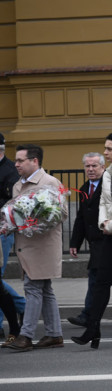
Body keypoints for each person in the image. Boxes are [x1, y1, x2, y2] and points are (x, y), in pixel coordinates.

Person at [4, 144, 68, 352]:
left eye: (21, 160)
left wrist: (37, 219)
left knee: (32, 288)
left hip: (42, 246)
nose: (16, 164)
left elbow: (61, 213)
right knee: (45, 289)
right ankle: (54, 333)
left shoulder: (50, 182)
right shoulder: (17, 185)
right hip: (26, 244)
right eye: (16, 160)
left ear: (35, 161)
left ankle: (26, 335)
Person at [68, 152, 112, 328]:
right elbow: (81, 218)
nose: (90, 169)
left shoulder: (110, 185)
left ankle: (88, 314)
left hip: (108, 238)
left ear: (103, 167)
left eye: (94, 166)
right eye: (87, 166)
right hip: (94, 241)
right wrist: (75, 242)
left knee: (96, 275)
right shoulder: (84, 188)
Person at [0, 133, 25, 346]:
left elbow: (10, 203)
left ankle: (5, 322)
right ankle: (22, 306)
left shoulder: (8, 171)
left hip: (1, 231)